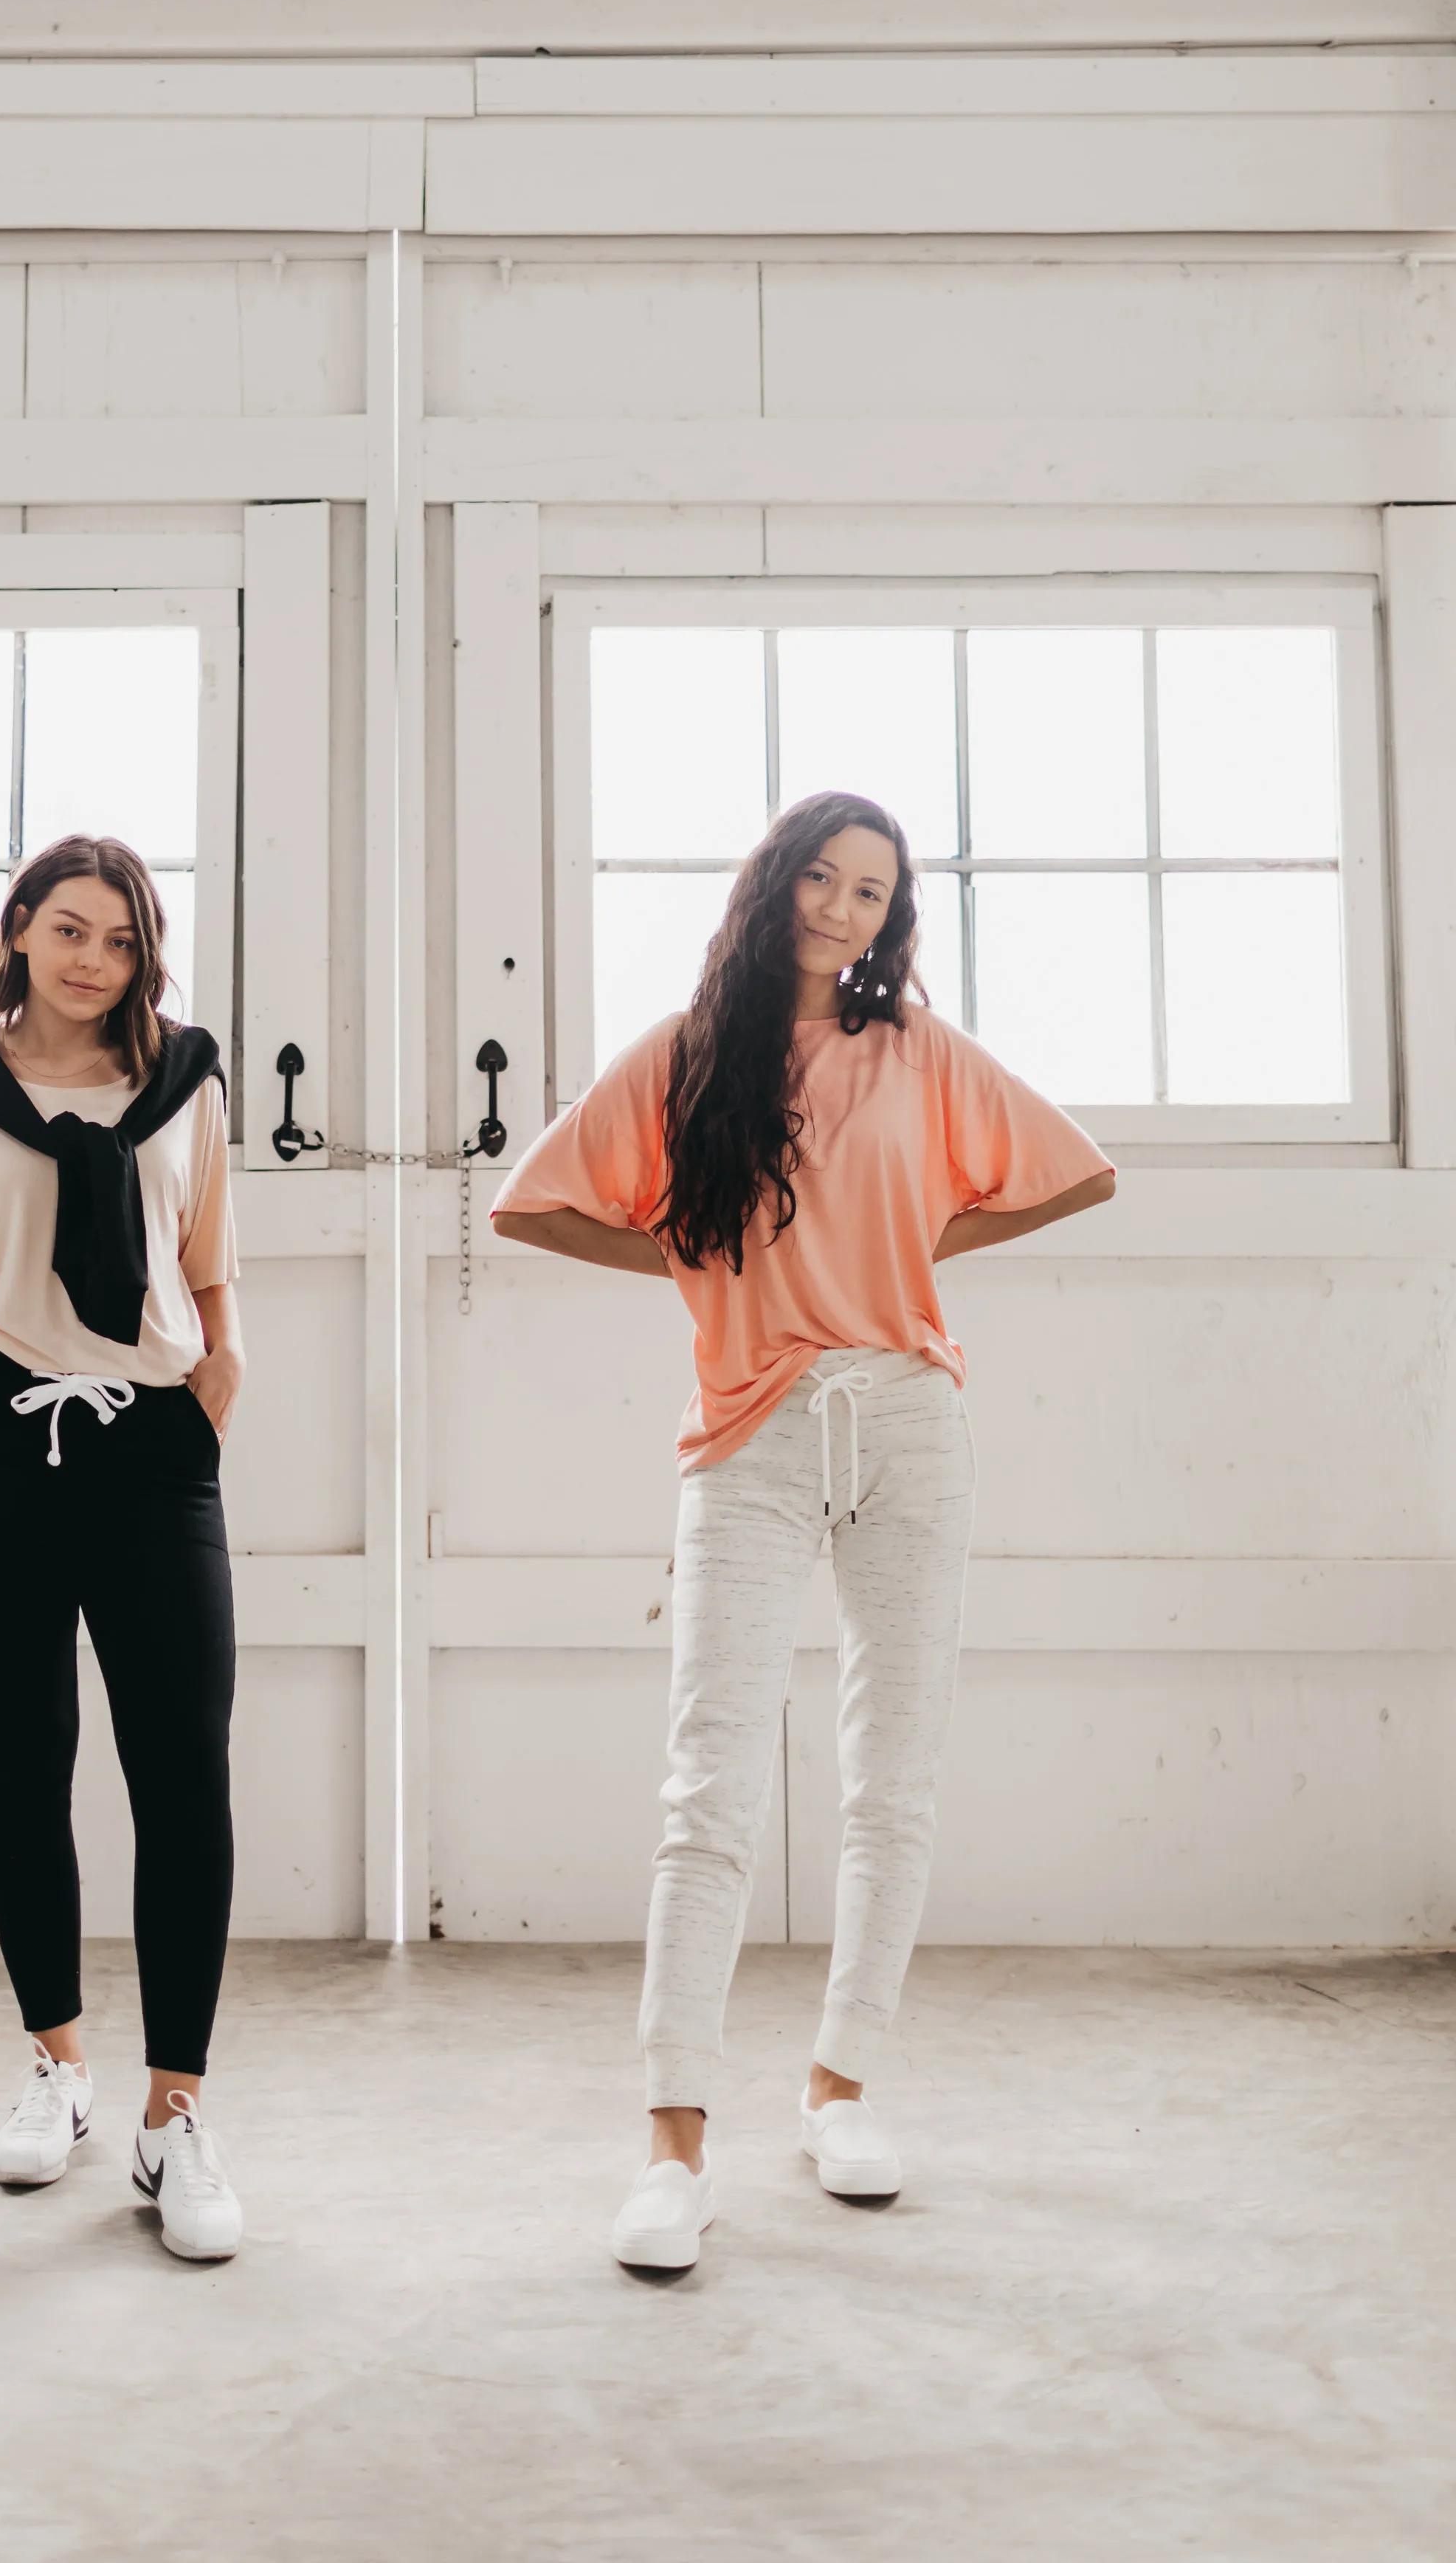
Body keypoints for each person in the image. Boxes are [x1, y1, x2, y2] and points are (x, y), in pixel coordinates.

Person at [490, 791, 1115, 2273]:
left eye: (873, 891)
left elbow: (1078, 1167)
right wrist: (693, 1248)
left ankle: (841, 2085)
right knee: (709, 1790)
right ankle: (674, 2141)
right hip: (751, 1428)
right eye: (823, 880)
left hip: (908, 1415)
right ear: (773, 888)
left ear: (892, 916)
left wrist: (916, 1242)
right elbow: (532, 1202)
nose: (844, 909)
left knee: (890, 1780)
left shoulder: (918, 1052)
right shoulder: (690, 1054)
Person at [0, 833, 248, 2263]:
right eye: (68, 928)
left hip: (151, 1447)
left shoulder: (184, 1082)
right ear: (19, 930)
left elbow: (211, 1267)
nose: (95, 960)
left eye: (123, 939)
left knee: (182, 1773)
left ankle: (177, 2110)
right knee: (24, 1761)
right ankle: (60, 2065)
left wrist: (217, 1390)